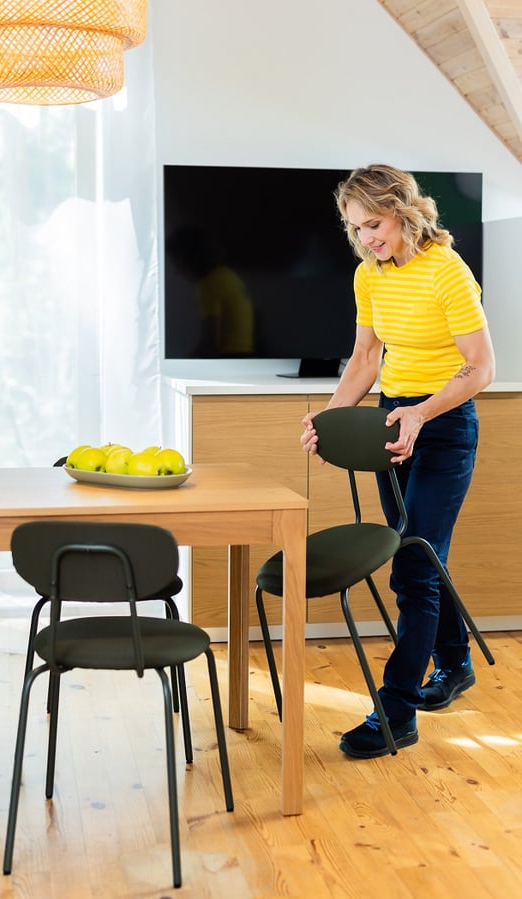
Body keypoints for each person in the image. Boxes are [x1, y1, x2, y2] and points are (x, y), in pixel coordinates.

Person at [301, 164, 495, 759]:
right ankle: (455, 662)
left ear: (405, 214)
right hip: (392, 424)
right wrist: (329, 419)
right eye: (357, 228)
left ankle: (396, 712)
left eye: (375, 224)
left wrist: (422, 413)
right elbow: (365, 358)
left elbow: (481, 368)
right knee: (418, 554)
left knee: (412, 566)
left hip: (443, 425)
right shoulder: (369, 275)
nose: (367, 238)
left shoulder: (448, 272)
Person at [166, 226, 255, 357]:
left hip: (228, 358)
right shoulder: (229, 275)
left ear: (187, 258)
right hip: (245, 357)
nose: (178, 271)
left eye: (176, 262)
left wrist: (183, 364)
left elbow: (210, 342)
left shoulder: (209, 284)